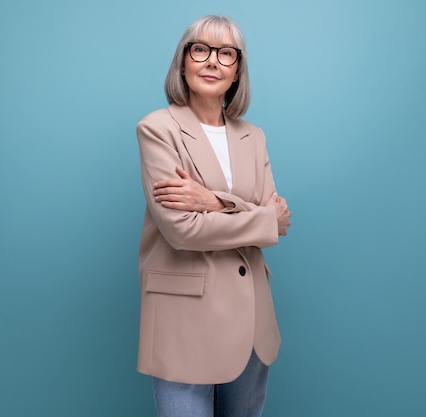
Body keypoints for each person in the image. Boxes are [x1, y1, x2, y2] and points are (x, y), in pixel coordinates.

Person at [135, 15, 291, 417]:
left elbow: (279, 221)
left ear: (238, 70)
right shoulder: (157, 129)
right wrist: (256, 217)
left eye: (226, 53)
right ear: (183, 62)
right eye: (200, 49)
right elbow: (182, 230)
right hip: (185, 320)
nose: (212, 62)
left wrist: (212, 201)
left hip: (251, 321)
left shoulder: (253, 137)